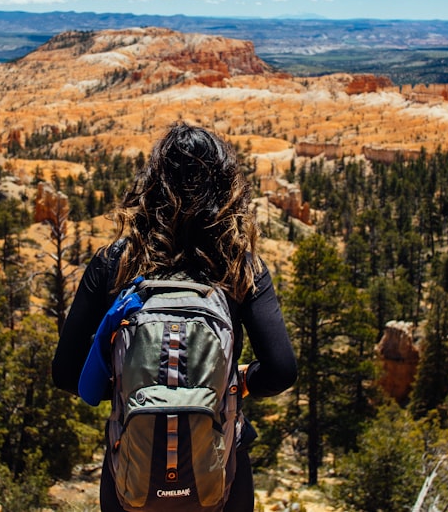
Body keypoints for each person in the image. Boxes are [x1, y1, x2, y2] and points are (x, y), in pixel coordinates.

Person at [52, 122, 297, 512]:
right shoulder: (239, 266)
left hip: (131, 473)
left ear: (152, 186)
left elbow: (66, 373)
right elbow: (283, 370)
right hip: (218, 474)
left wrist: (129, 388)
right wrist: (242, 381)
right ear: (225, 188)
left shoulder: (114, 262)